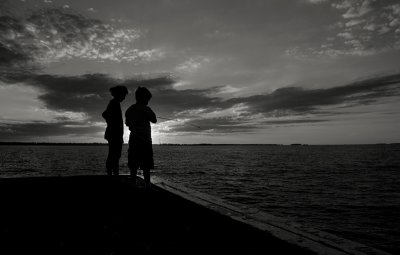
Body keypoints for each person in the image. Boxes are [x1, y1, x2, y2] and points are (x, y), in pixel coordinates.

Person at [125, 86, 157, 189]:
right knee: (146, 164)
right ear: (143, 98)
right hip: (145, 142)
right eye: (147, 99)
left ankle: (133, 182)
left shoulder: (130, 109)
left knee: (133, 163)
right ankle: (147, 184)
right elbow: (154, 120)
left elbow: (127, 123)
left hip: (134, 140)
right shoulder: (147, 109)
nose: (148, 102)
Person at [102, 85, 128, 176]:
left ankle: (113, 175)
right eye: (124, 95)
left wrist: (110, 123)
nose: (124, 98)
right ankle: (113, 175)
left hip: (115, 134)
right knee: (114, 156)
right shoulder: (114, 103)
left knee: (114, 156)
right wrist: (111, 124)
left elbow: (105, 114)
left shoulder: (115, 103)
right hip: (114, 135)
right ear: (119, 94)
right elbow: (104, 114)